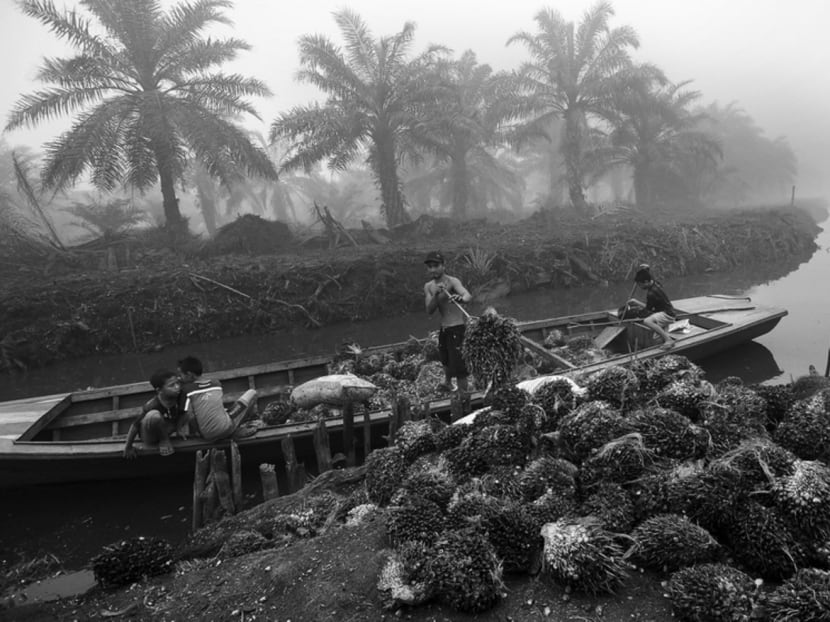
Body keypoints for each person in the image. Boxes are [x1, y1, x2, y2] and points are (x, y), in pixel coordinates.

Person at [423, 251, 473, 394]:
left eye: (436, 266)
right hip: (444, 329)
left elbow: (467, 295)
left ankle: (464, 393)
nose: (433, 269)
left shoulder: (452, 281)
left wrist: (461, 298)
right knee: (445, 360)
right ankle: (448, 384)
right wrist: (436, 295)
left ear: (443, 266)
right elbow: (429, 310)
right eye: (430, 267)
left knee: (459, 367)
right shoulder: (428, 286)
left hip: (457, 328)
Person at [177, 355, 258, 441]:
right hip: (226, 429)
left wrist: (179, 428)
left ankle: (214, 432)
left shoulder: (186, 390)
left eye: (181, 375)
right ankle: (236, 430)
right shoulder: (216, 384)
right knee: (252, 393)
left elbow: (186, 414)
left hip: (206, 435)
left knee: (194, 411)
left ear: (189, 375)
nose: (179, 378)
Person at [123, 369, 186, 458]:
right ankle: (164, 440)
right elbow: (135, 425)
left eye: (177, 383)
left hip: (168, 428)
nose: (177, 387)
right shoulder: (152, 405)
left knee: (191, 407)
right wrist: (128, 447)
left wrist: (179, 428)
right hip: (151, 436)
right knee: (154, 416)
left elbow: (183, 412)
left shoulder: (181, 395)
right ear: (159, 390)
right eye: (172, 385)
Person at [627, 264, 677, 348]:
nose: (640, 287)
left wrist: (636, 308)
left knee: (647, 321)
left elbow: (648, 311)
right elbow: (649, 276)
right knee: (656, 339)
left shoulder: (651, 293)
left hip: (667, 315)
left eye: (640, 284)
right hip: (666, 311)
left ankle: (669, 340)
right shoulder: (656, 283)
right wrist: (646, 269)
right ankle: (665, 339)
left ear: (646, 282)